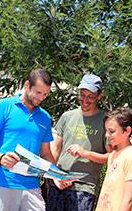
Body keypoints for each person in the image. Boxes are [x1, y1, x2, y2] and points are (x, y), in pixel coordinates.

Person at [0, 68, 55, 211]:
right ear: (27, 85)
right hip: (1, 184)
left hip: (32, 186)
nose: (42, 97)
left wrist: (57, 174)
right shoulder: (3, 107)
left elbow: (45, 154)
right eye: (38, 92)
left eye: (45, 94)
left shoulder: (45, 117)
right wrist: (0, 158)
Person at [46, 73, 111, 211]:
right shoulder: (67, 116)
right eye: (82, 95)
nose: (85, 100)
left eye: (90, 96)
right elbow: (55, 151)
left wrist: (85, 153)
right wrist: (53, 177)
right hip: (58, 183)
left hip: (84, 188)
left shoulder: (106, 121)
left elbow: (110, 158)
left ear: (99, 96)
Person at [95, 108, 132, 211]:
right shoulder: (113, 155)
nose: (107, 135)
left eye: (111, 131)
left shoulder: (131, 156)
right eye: (106, 131)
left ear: (127, 131)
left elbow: (128, 200)